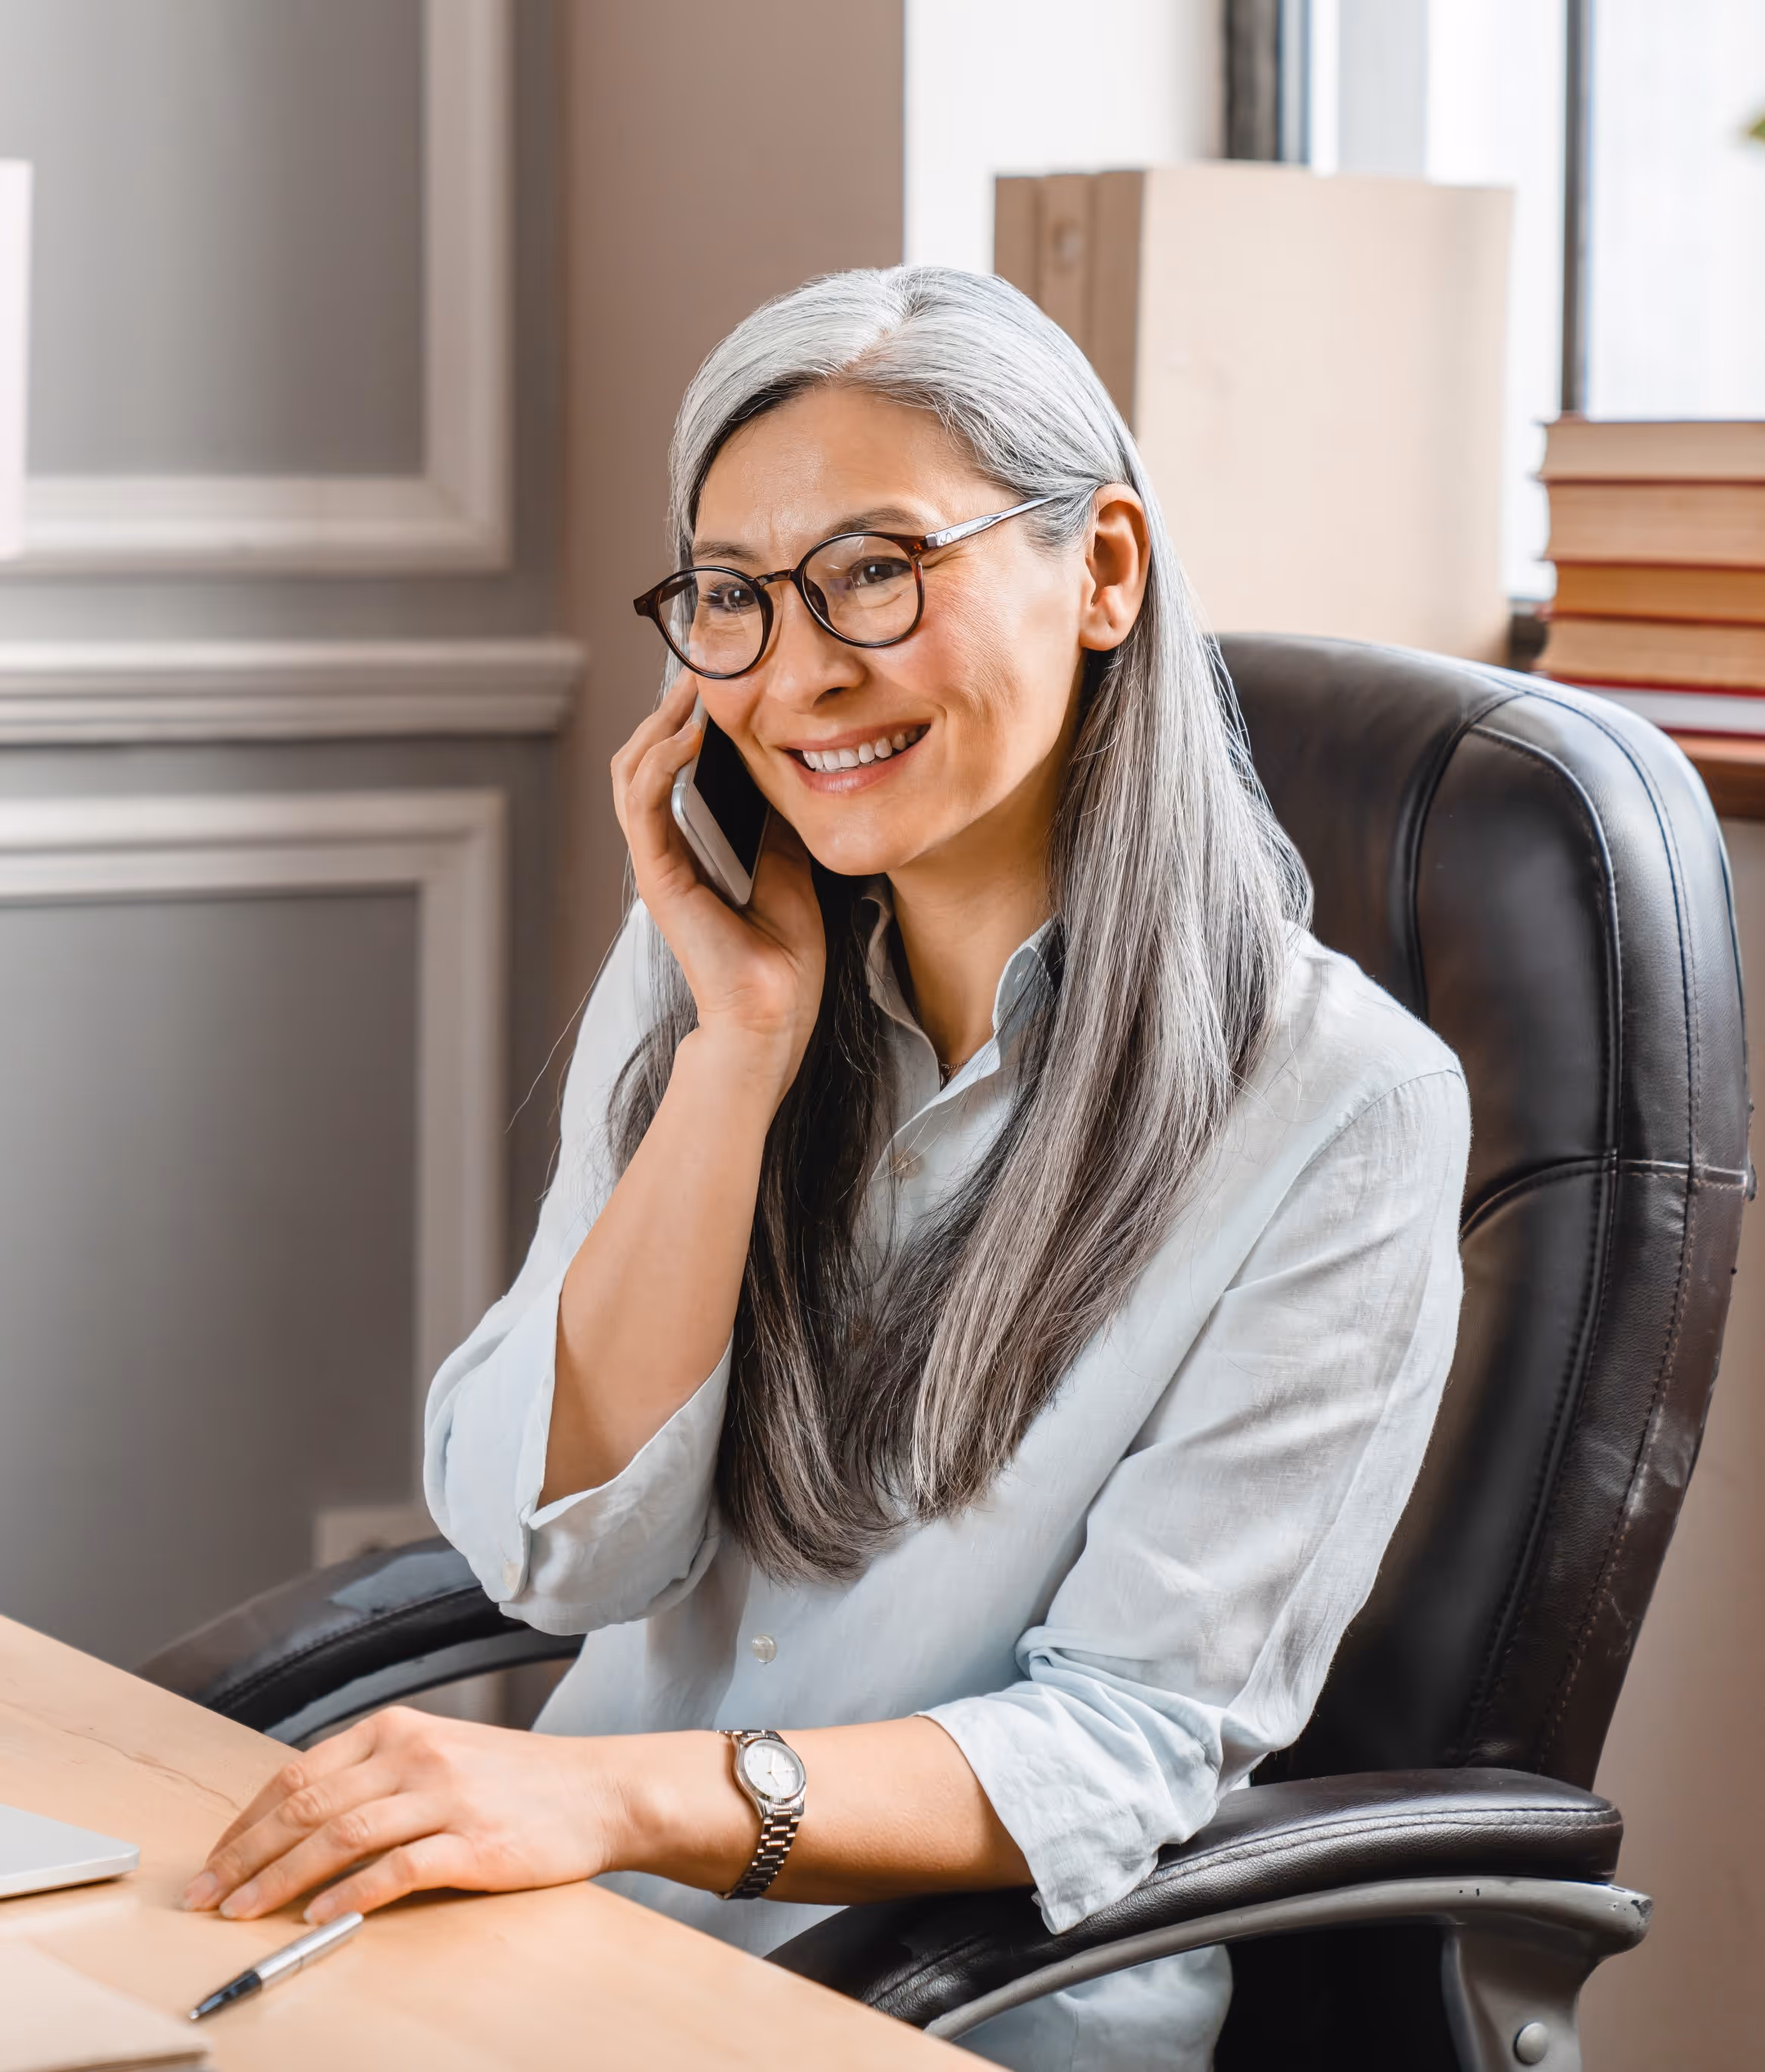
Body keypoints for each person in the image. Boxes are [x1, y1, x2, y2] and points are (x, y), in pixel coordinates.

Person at [184, 267, 1470, 2070]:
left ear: (1101, 570)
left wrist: (625, 1800)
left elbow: (1119, 1736)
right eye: (731, 596)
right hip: (556, 1962)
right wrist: (737, 1053)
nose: (796, 674)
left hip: (957, 2018)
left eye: (875, 570)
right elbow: (553, 1551)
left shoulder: (1340, 1106)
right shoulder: (713, 961)